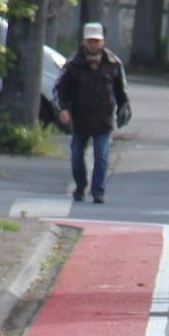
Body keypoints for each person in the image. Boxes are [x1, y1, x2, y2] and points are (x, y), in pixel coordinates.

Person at [53, 22, 129, 205]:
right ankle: (80, 187)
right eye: (90, 41)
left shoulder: (114, 64)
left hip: (104, 119)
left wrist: (123, 108)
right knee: (77, 156)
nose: (93, 44)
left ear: (103, 42)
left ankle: (98, 191)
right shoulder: (73, 65)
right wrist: (63, 109)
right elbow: (60, 90)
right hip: (80, 119)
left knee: (101, 156)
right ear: (84, 42)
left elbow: (121, 92)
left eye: (97, 41)